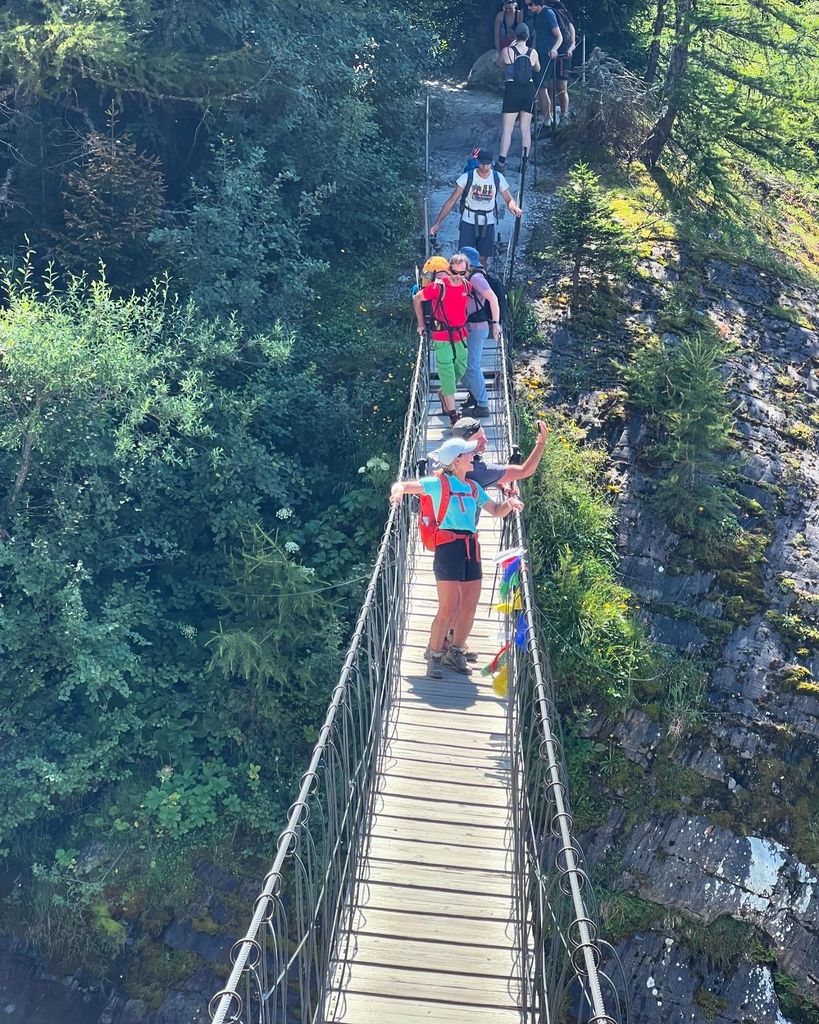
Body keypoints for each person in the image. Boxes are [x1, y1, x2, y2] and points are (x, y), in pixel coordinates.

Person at [389, 437, 524, 678]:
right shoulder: (438, 484)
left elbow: (494, 510)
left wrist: (510, 503)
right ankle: (435, 653)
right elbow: (405, 486)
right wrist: (397, 493)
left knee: (469, 608)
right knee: (448, 608)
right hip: (448, 548)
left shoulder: (473, 488)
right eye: (468, 454)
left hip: (471, 547)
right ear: (456, 461)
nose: (473, 456)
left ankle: (457, 651)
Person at [429, 150, 522, 269]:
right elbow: (452, 200)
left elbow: (509, 199)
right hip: (469, 219)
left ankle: (480, 280)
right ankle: (464, 282)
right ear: (477, 162)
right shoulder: (467, 177)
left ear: (492, 163)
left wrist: (514, 207)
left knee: (483, 257)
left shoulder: (497, 178)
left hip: (488, 221)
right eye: (482, 163)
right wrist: (437, 223)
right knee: (464, 256)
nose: (484, 166)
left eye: (487, 164)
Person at [412, 253, 473, 427]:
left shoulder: (467, 287)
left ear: (466, 272)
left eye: (462, 273)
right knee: (446, 370)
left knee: (460, 367)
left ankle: (443, 393)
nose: (458, 276)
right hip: (442, 334)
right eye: (454, 272)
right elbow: (418, 298)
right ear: (449, 270)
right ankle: (454, 416)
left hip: (460, 334)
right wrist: (421, 323)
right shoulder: (439, 287)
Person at [452, 416, 550, 490]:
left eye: (483, 434)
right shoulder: (477, 470)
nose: (485, 441)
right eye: (479, 440)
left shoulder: (448, 457)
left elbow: (483, 478)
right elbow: (525, 471)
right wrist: (541, 443)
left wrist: (501, 484)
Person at [460, 245, 499, 418]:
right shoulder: (470, 276)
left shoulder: (476, 278)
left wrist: (496, 324)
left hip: (477, 328)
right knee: (463, 365)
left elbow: (493, 298)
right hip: (470, 327)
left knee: (472, 366)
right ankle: (475, 396)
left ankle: (482, 405)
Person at [496, 23, 541, 173]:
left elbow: (499, 64)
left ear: (515, 36)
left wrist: (510, 47)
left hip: (512, 90)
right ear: (528, 37)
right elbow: (537, 68)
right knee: (525, 128)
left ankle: (501, 162)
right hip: (528, 90)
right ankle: (525, 162)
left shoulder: (507, 51)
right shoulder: (533, 52)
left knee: (507, 130)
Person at [524, 0, 562, 128]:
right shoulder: (536, 15)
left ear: (537, 3)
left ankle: (548, 120)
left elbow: (559, 36)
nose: (528, 8)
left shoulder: (548, 13)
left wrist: (554, 49)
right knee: (538, 88)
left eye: (530, 5)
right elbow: (536, 35)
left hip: (547, 55)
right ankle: (547, 117)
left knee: (542, 88)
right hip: (537, 55)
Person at [545, 0, 576, 123]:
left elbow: (573, 42)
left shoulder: (569, 25)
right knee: (550, 87)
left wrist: (569, 50)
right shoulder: (551, 25)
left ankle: (564, 114)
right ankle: (551, 115)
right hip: (552, 57)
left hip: (564, 57)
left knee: (562, 87)